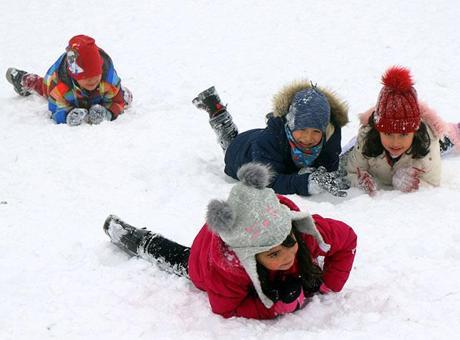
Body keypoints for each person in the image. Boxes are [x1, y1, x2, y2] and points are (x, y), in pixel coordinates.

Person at [103, 162, 357, 319]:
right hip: (206, 259)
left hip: (246, 226)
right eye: (272, 254)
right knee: (180, 259)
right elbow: (226, 308)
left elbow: (347, 240)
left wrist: (327, 284)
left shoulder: (303, 231)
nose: (287, 256)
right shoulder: (228, 269)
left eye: (288, 244)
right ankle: (132, 237)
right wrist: (273, 307)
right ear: (250, 257)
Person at [192, 82, 350, 197]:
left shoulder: (330, 134)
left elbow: (329, 165)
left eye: (316, 131)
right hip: (241, 153)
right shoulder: (267, 141)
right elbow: (267, 182)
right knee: (230, 141)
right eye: (301, 129)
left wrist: (319, 173)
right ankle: (218, 114)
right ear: (290, 123)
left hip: (266, 144)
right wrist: (306, 183)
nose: (308, 138)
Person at [343, 66, 460, 195]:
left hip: (420, 144)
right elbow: (350, 172)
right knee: (351, 150)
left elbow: (433, 183)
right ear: (378, 130)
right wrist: (358, 180)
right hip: (375, 141)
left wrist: (410, 183)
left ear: (414, 130)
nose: (395, 142)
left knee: (446, 140)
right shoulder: (366, 138)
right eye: (388, 133)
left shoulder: (428, 142)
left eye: (403, 134)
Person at [5, 34, 132, 126]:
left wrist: (108, 113)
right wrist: (67, 115)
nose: (92, 81)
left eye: (96, 75)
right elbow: (55, 110)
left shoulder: (108, 79)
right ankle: (24, 80)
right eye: (86, 78)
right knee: (44, 88)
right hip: (63, 90)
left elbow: (117, 101)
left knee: (124, 97)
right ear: (75, 76)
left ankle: (120, 93)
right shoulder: (60, 86)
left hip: (98, 95)